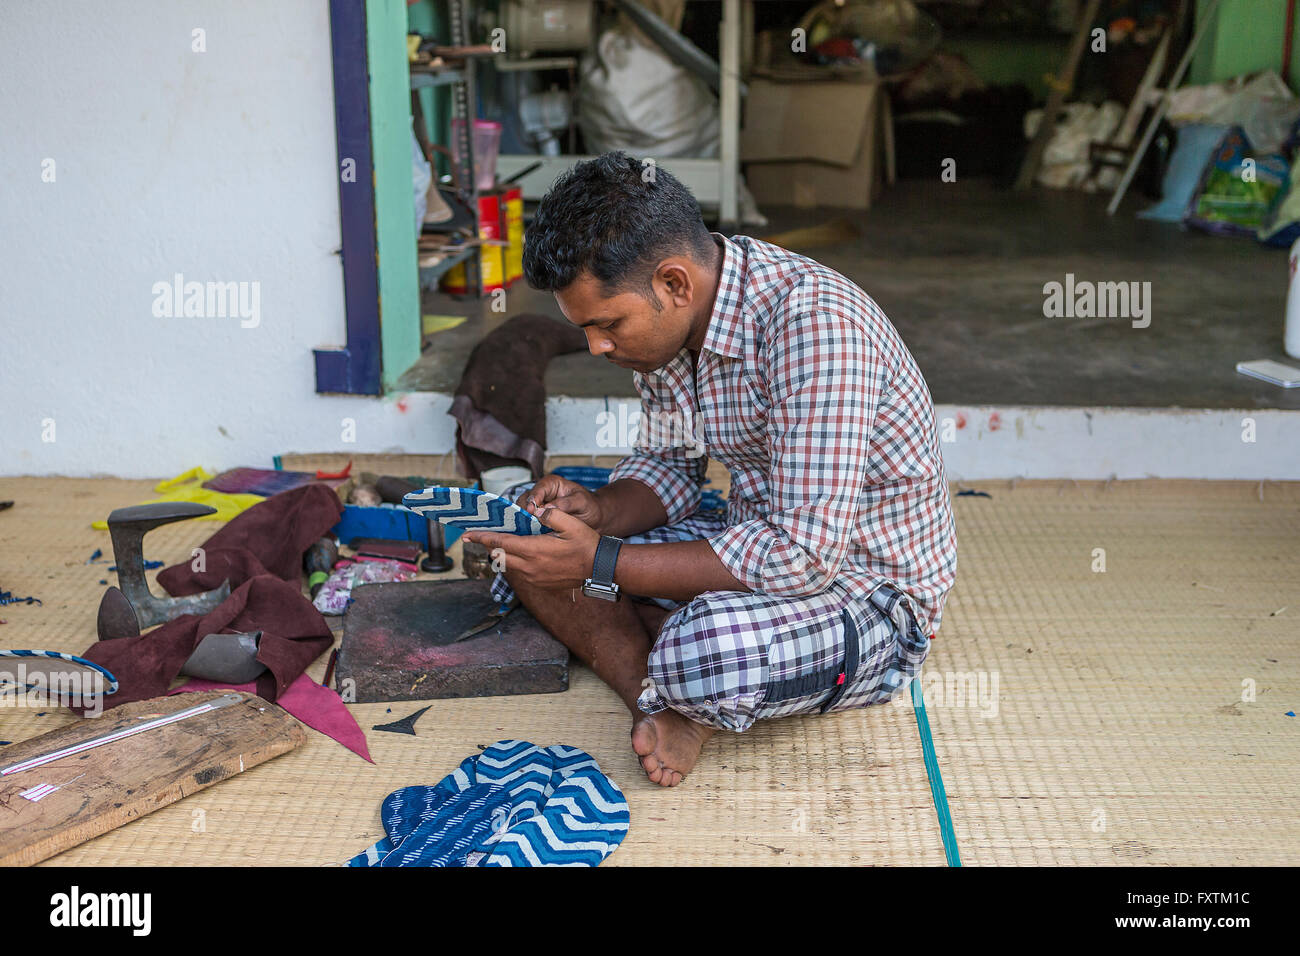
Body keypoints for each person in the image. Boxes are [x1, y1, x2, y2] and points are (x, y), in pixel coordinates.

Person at [460, 152, 956, 788]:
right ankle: (658, 694)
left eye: (607, 325)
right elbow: (669, 466)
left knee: (708, 654)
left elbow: (803, 556)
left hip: (864, 592)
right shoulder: (668, 333)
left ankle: (675, 664)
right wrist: (598, 512)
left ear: (675, 283)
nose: (596, 347)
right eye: (585, 329)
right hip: (750, 539)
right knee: (533, 548)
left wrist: (604, 564)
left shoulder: (815, 327)